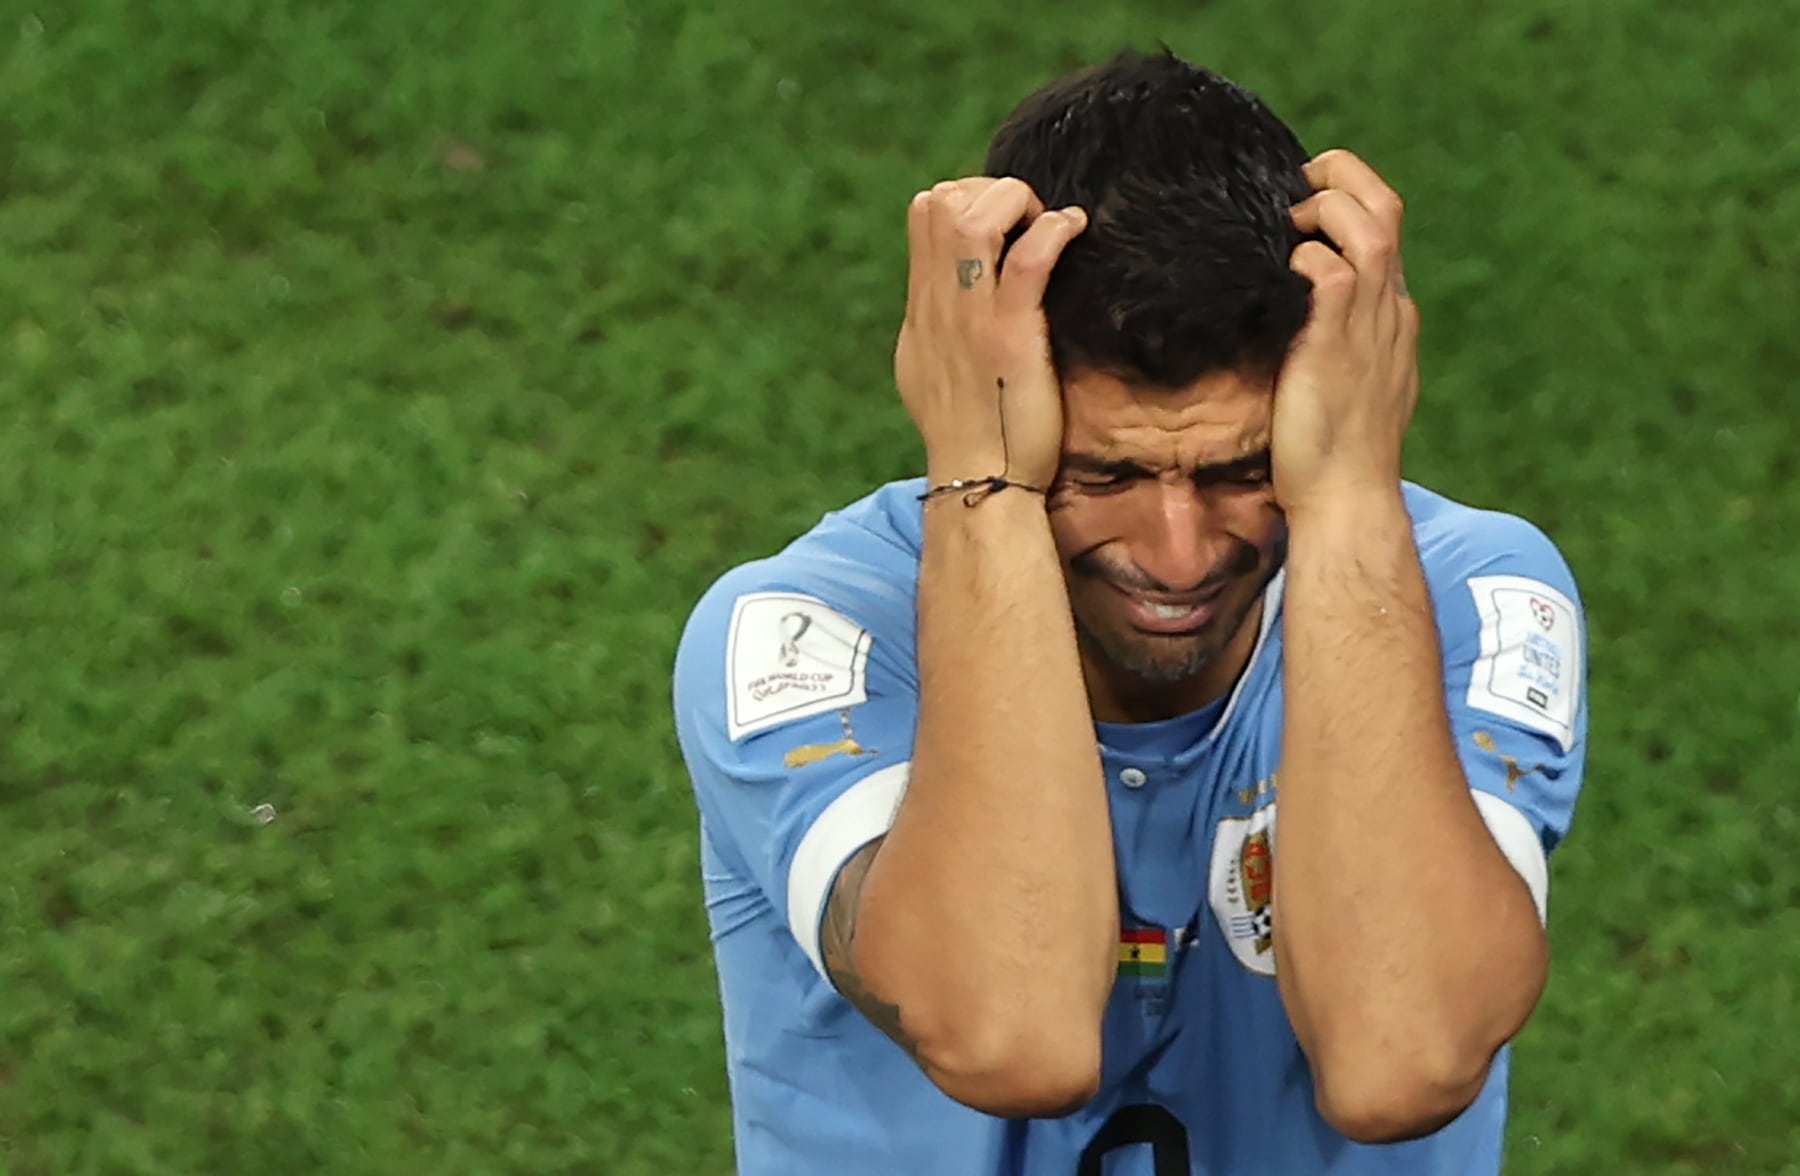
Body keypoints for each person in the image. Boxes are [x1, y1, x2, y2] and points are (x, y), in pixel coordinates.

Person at [670, 47, 1587, 1176]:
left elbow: (1402, 1059)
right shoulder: (806, 635)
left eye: (1241, 471)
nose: (1177, 555)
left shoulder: (1470, 594)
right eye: (1104, 477)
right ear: (1001, 399)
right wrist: (981, 481)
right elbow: (1010, 1035)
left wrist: (1348, 496)